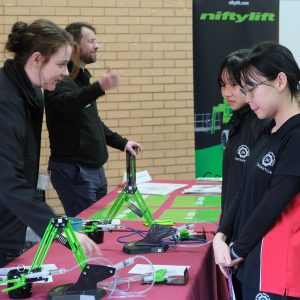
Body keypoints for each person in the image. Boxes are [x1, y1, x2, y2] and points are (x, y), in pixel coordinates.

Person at [0, 19, 100, 267]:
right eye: (61, 64)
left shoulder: (32, 92)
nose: (66, 73)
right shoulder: (6, 101)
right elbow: (6, 178)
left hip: (10, 227)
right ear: (36, 59)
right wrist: (58, 227)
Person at [213, 41, 300, 300]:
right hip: (250, 260)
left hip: (277, 271)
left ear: (280, 81)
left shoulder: (296, 137)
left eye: (252, 89)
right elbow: (245, 189)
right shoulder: (267, 130)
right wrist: (221, 235)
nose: (247, 98)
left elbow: (271, 204)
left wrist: (236, 251)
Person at [44, 22, 141, 217]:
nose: (97, 46)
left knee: (98, 229)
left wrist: (122, 143)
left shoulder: (81, 80)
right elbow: (69, 103)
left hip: (94, 171)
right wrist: (99, 87)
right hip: (75, 172)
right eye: (91, 41)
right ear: (74, 47)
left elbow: (93, 122)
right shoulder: (59, 79)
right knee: (88, 231)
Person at [218, 49, 270, 299]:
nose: (227, 92)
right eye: (222, 85)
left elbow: (252, 189)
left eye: (235, 85)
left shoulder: (260, 123)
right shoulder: (238, 120)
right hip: (232, 229)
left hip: (247, 236)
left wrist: (229, 234)